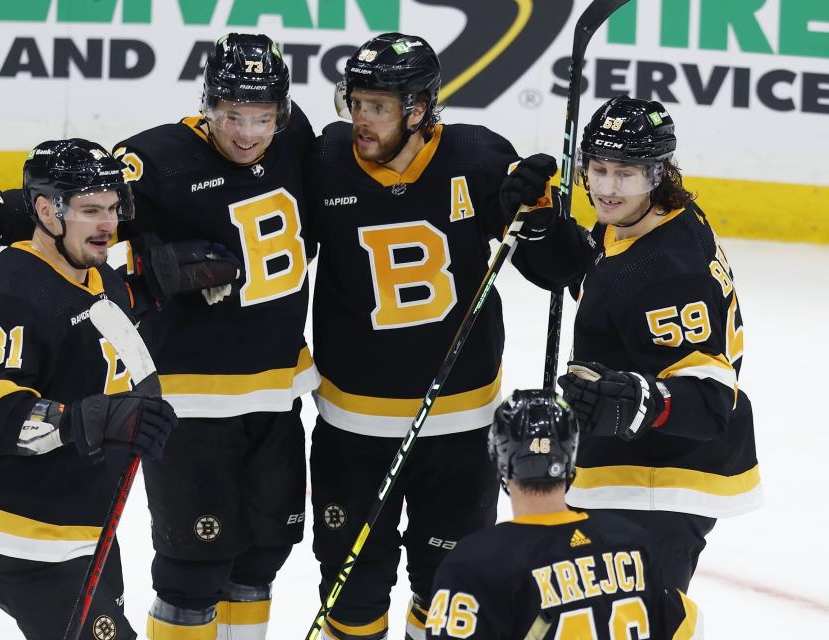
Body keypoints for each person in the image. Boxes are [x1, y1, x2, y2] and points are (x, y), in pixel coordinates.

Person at [0, 33, 317, 640]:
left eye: (263, 116)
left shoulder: (297, 139)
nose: (247, 132)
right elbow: (82, 198)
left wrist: (156, 283)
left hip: (276, 393)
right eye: (232, 114)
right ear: (208, 103)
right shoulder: (157, 159)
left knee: (262, 559)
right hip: (188, 400)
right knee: (192, 570)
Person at [304, 33, 555, 640]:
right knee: (353, 599)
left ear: (418, 109)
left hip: (460, 429)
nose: (360, 119)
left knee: (451, 596)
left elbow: (559, 271)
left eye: (378, 107)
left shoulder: (477, 155)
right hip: (352, 430)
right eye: (354, 102)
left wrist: (541, 210)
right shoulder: (326, 159)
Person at [0, 138, 176, 640]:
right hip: (14, 527)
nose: (108, 224)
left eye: (113, 208)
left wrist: (156, 284)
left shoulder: (92, 270)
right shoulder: (15, 290)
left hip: (75, 513)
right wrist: (93, 420)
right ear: (45, 211)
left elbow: (87, 327)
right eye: (90, 210)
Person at [509, 95, 762, 592]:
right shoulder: (651, 220)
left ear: (657, 173)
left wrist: (639, 400)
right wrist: (542, 229)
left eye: (624, 173)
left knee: (634, 620)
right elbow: (601, 283)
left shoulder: (670, 271)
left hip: (660, 480)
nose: (606, 188)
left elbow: (712, 402)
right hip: (630, 460)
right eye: (597, 169)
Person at [427, 389, 705, 639]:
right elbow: (689, 628)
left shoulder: (474, 564)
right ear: (570, 459)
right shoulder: (634, 546)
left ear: (500, 462)